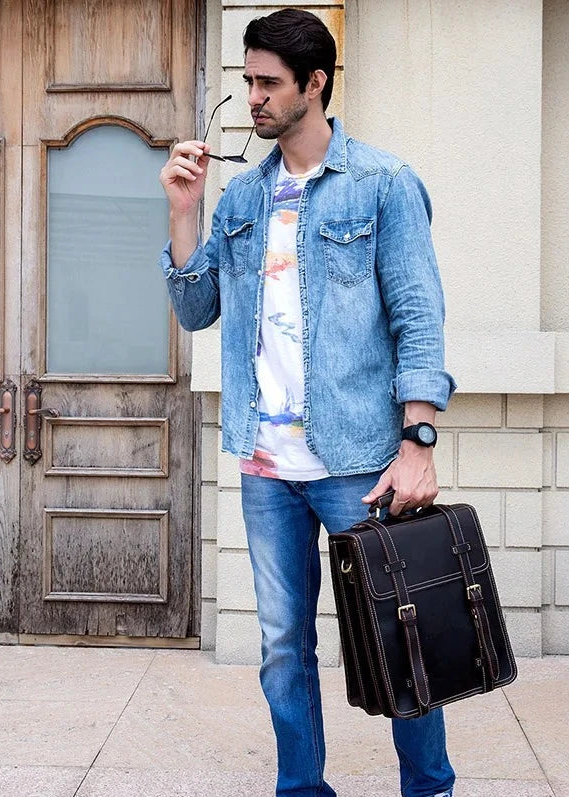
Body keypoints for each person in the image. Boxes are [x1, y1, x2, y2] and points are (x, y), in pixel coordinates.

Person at [158, 9, 457, 797]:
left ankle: (428, 788)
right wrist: (184, 211)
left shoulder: (382, 184)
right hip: (267, 465)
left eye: (267, 83)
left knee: (399, 635)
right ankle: (301, 789)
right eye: (247, 82)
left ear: (313, 84)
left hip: (357, 460)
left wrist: (417, 441)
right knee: (282, 645)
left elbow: (419, 318)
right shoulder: (243, 197)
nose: (252, 98)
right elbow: (196, 312)